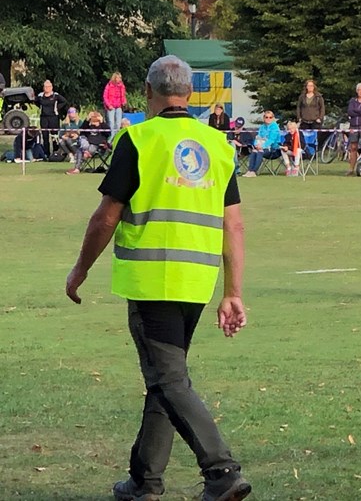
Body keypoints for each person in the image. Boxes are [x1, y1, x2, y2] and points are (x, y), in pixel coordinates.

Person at [64, 54, 250, 501]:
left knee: (169, 381)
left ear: (147, 92)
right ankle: (144, 482)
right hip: (197, 281)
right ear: (189, 94)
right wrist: (233, 292)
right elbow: (235, 225)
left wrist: (80, 268)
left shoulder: (138, 139)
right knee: (166, 380)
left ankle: (221, 470)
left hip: (152, 280)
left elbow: (105, 218)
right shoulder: (218, 145)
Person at [245, 111, 282, 177]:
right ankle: (249, 170)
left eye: (270, 117)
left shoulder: (275, 128)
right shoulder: (262, 127)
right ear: (264, 118)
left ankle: (254, 171)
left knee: (260, 151)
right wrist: (256, 145)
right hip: (262, 146)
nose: (268, 119)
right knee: (254, 151)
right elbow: (258, 137)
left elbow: (271, 140)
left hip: (274, 149)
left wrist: (262, 146)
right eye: (266, 117)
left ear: (273, 118)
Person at [36, 79, 68, 149]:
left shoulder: (56, 95)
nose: (46, 88)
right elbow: (36, 102)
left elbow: (64, 101)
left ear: (51, 87)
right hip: (44, 117)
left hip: (54, 117)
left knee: (54, 136)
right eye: (45, 87)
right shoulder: (40, 96)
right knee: (45, 136)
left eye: (48, 87)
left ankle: (55, 152)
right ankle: (46, 153)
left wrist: (57, 108)